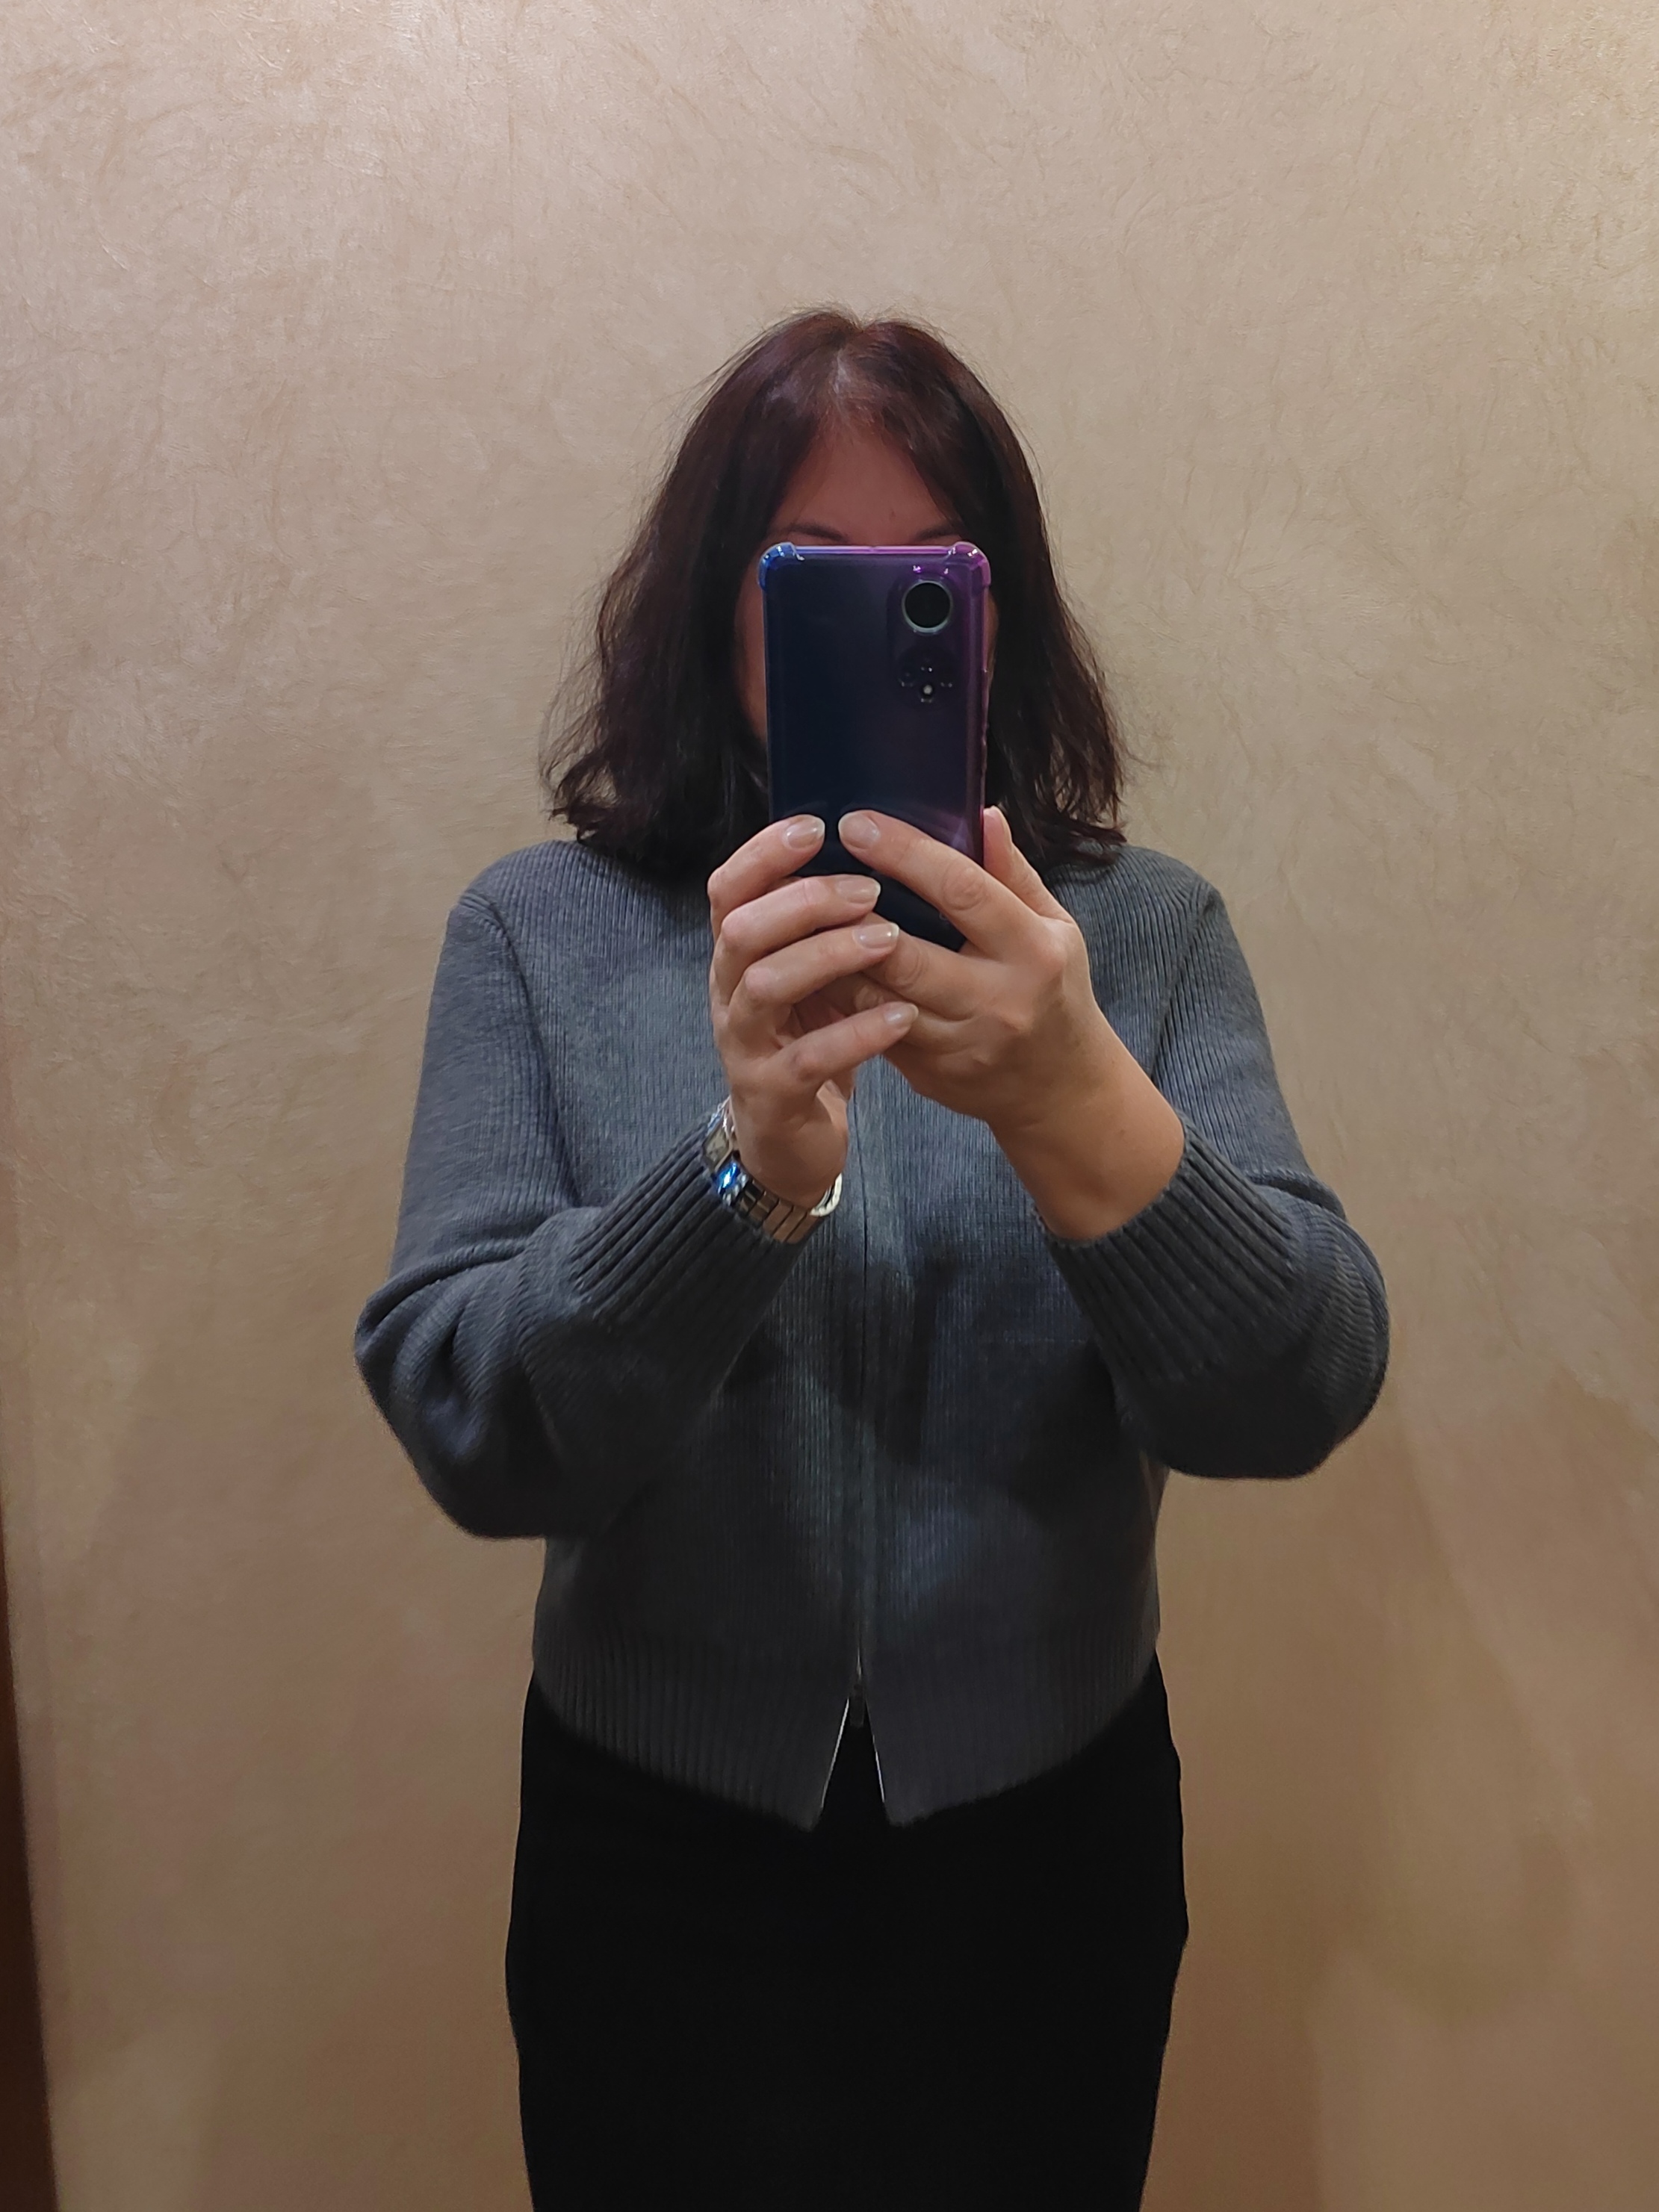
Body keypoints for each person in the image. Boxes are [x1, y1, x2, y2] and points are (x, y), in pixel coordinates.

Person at [355, 309, 1389, 2210]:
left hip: (1047, 1846)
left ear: (996, 611)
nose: (873, 615)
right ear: (714, 601)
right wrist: (740, 1173)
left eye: (927, 575)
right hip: (653, 1856)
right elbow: (471, 1425)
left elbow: (1297, 1387)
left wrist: (1073, 1096)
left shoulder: (1138, 941)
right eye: (809, 571)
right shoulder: (536, 932)